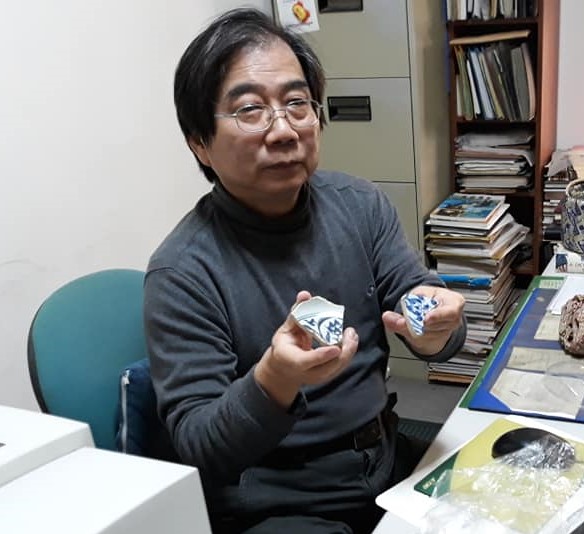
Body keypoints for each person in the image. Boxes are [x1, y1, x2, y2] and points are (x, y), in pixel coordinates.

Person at [144, 7, 466, 534]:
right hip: (281, 500)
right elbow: (201, 447)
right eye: (250, 109)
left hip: (384, 459)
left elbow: (420, 301)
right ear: (198, 141)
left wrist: (435, 329)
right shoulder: (181, 271)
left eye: (297, 103)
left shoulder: (360, 205)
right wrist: (275, 378)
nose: (284, 130)